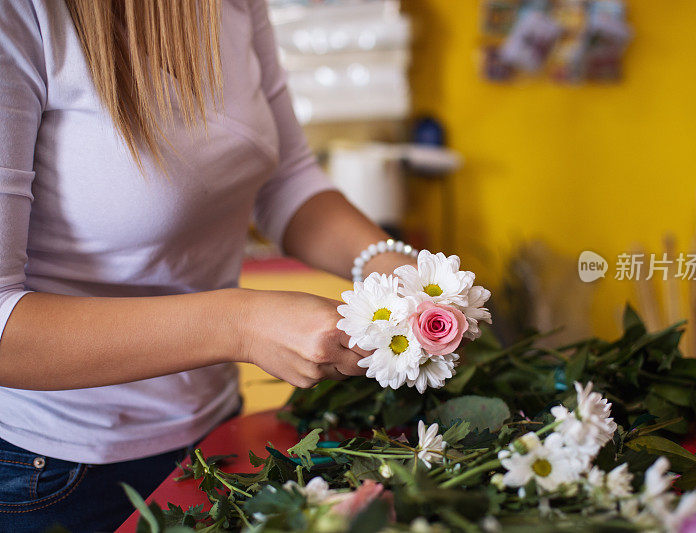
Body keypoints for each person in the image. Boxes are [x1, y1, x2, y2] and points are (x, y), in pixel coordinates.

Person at [0, 1, 412, 530]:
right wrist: (241, 325)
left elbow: (288, 180)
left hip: (215, 438)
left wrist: (390, 264)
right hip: (59, 473)